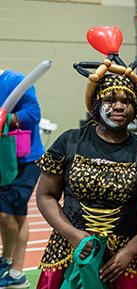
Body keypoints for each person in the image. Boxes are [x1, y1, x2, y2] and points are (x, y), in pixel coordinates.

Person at [35, 55, 137, 289]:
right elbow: (45, 195)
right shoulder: (70, 141)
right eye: (110, 99)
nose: (119, 106)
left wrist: (130, 251)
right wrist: (72, 235)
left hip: (124, 260)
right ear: (96, 103)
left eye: (127, 101)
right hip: (69, 250)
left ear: (135, 108)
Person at [0, 68, 44, 288]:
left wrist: (6, 118)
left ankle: (5, 261)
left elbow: (34, 114)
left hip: (25, 160)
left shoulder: (15, 81)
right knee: (17, 216)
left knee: (6, 213)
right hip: (2, 160)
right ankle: (16, 274)